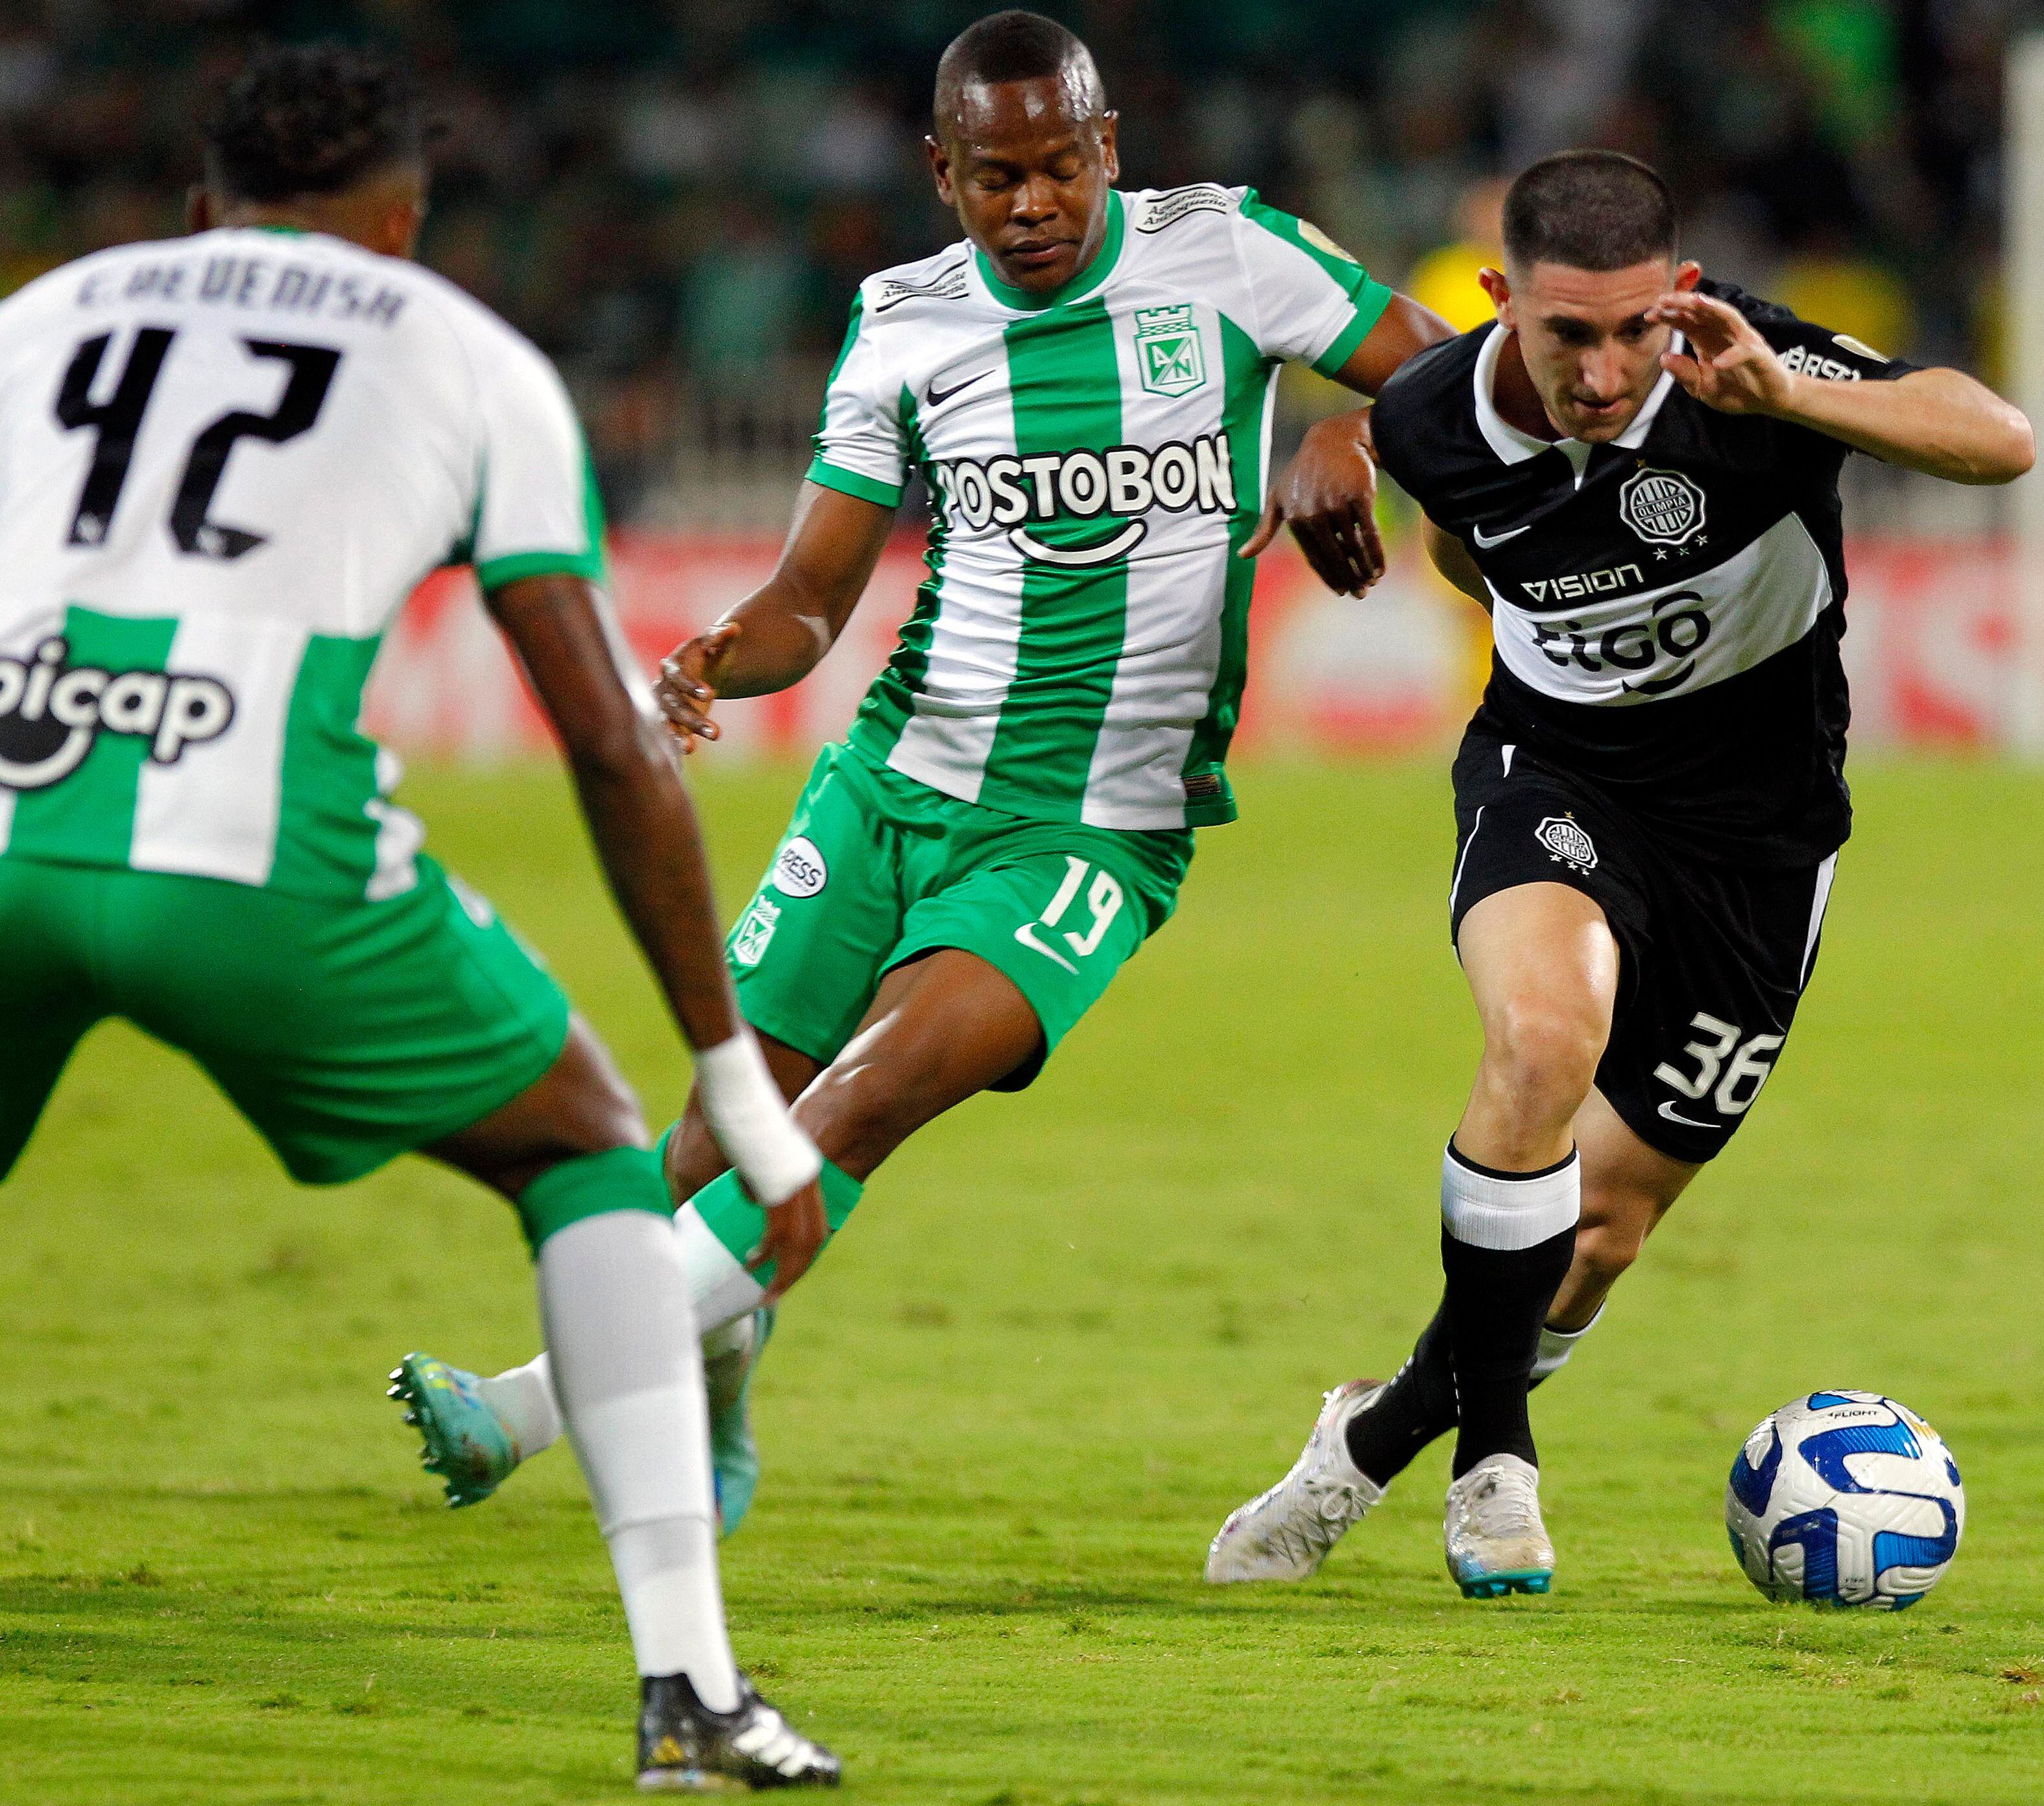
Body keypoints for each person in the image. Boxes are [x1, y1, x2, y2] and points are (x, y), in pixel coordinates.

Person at [394, 10, 1450, 1535]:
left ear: (1106, 154)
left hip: (1089, 832)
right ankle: (726, 1371)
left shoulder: (1226, 255)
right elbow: (816, 594)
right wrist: (715, 657)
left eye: (1058, 170)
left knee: (853, 1109)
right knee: (710, 1148)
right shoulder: (901, 321)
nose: (1031, 207)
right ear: (940, 175)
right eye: (994, 178)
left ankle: (526, 1405)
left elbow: (1456, 374)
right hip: (888, 792)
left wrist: (1348, 440)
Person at [0, 45, 841, 1788]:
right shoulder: (466, 356)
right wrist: (729, 1071)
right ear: (405, 218)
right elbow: (611, 744)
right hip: (248, 842)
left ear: (193, 207)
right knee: (593, 1158)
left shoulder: (48, 311)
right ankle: (687, 1693)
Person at [1205, 149, 2032, 1597]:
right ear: (1496, 302)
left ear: (1683, 301)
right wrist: (1343, 445)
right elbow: (1464, 549)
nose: (1602, 370)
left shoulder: (1750, 375)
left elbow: (1997, 438)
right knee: (1540, 1034)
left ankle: (1371, 1438)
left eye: (1634, 329)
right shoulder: (1434, 418)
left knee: (1596, 1238)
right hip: (1559, 780)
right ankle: (1494, 1464)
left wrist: (1791, 396)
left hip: (1760, 846)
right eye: (1564, 332)